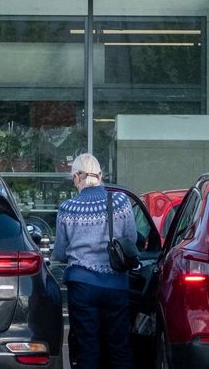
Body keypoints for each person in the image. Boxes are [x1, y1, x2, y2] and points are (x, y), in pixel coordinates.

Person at [51, 154, 136, 369]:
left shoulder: (67, 208)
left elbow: (60, 253)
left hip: (82, 286)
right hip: (116, 284)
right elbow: (131, 240)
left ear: (76, 178)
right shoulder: (120, 201)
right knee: (119, 346)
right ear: (100, 175)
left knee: (87, 346)